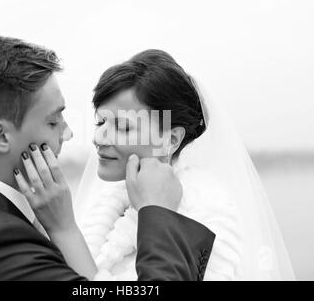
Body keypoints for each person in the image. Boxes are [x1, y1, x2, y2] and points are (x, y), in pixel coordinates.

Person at [0, 35, 215, 281]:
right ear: (0, 136)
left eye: (122, 126)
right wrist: (158, 215)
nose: (69, 133)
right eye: (53, 122)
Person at [74, 49, 296, 280]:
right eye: (100, 122)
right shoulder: (108, 201)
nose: (98, 138)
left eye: (123, 127)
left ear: (170, 139)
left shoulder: (205, 213)